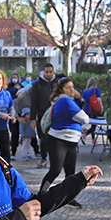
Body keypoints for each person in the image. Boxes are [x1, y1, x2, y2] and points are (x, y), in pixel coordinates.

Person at [40, 77, 90, 207]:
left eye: (72, 87)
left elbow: (73, 118)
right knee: (55, 170)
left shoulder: (68, 101)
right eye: (68, 87)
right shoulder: (65, 101)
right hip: (58, 141)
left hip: (71, 142)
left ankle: (69, 198)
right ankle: (41, 194)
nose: (72, 90)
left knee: (70, 172)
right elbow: (85, 118)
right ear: (62, 90)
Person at [29, 64, 55, 168]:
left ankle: (55, 159)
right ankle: (43, 158)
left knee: (55, 138)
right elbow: (34, 103)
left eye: (50, 72)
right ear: (43, 72)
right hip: (42, 116)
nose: (48, 74)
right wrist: (32, 119)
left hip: (55, 115)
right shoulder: (37, 85)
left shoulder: (57, 83)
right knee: (43, 138)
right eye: (47, 72)